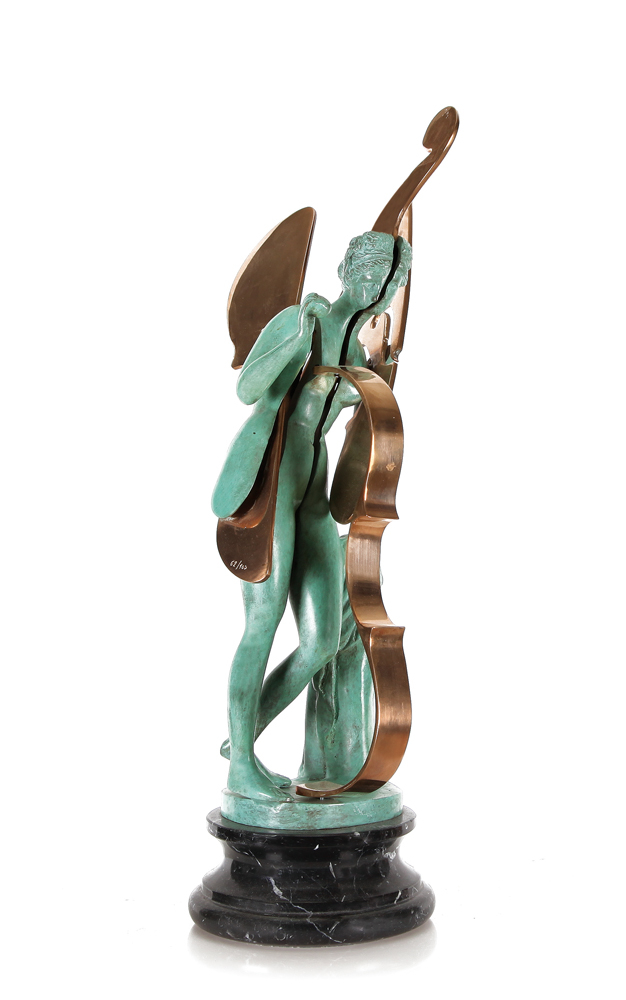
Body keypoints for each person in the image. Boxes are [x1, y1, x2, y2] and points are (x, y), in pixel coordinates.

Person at [214, 230, 412, 802]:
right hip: (274, 479)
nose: (377, 289)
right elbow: (247, 388)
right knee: (262, 622)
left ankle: (243, 734)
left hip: (314, 493)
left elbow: (356, 435)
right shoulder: (306, 318)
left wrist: (378, 385)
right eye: (371, 274)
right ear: (349, 269)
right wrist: (294, 342)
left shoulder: (360, 354)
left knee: (324, 638)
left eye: (388, 283)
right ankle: (241, 765)